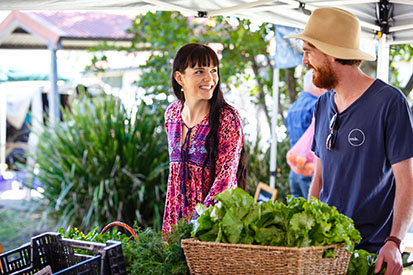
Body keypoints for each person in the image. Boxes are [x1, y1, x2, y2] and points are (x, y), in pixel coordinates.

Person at [285, 7, 413, 275]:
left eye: (309, 51)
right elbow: (318, 181)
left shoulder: (390, 102)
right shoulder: (322, 105)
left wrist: (394, 242)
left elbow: (407, 182)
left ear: (331, 52)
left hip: (373, 256)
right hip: (327, 253)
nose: (305, 60)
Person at [162, 43, 247, 234]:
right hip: (174, 221)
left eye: (213, 70)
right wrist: (172, 231)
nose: (209, 78)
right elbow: (174, 176)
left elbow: (225, 181)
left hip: (212, 224)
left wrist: (196, 227)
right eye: (199, 71)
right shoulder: (171, 115)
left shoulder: (227, 118)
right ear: (179, 77)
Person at [285, 69, 325, 198]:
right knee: (314, 214)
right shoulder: (317, 106)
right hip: (310, 170)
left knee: (297, 214)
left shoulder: (293, 107)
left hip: (295, 170)